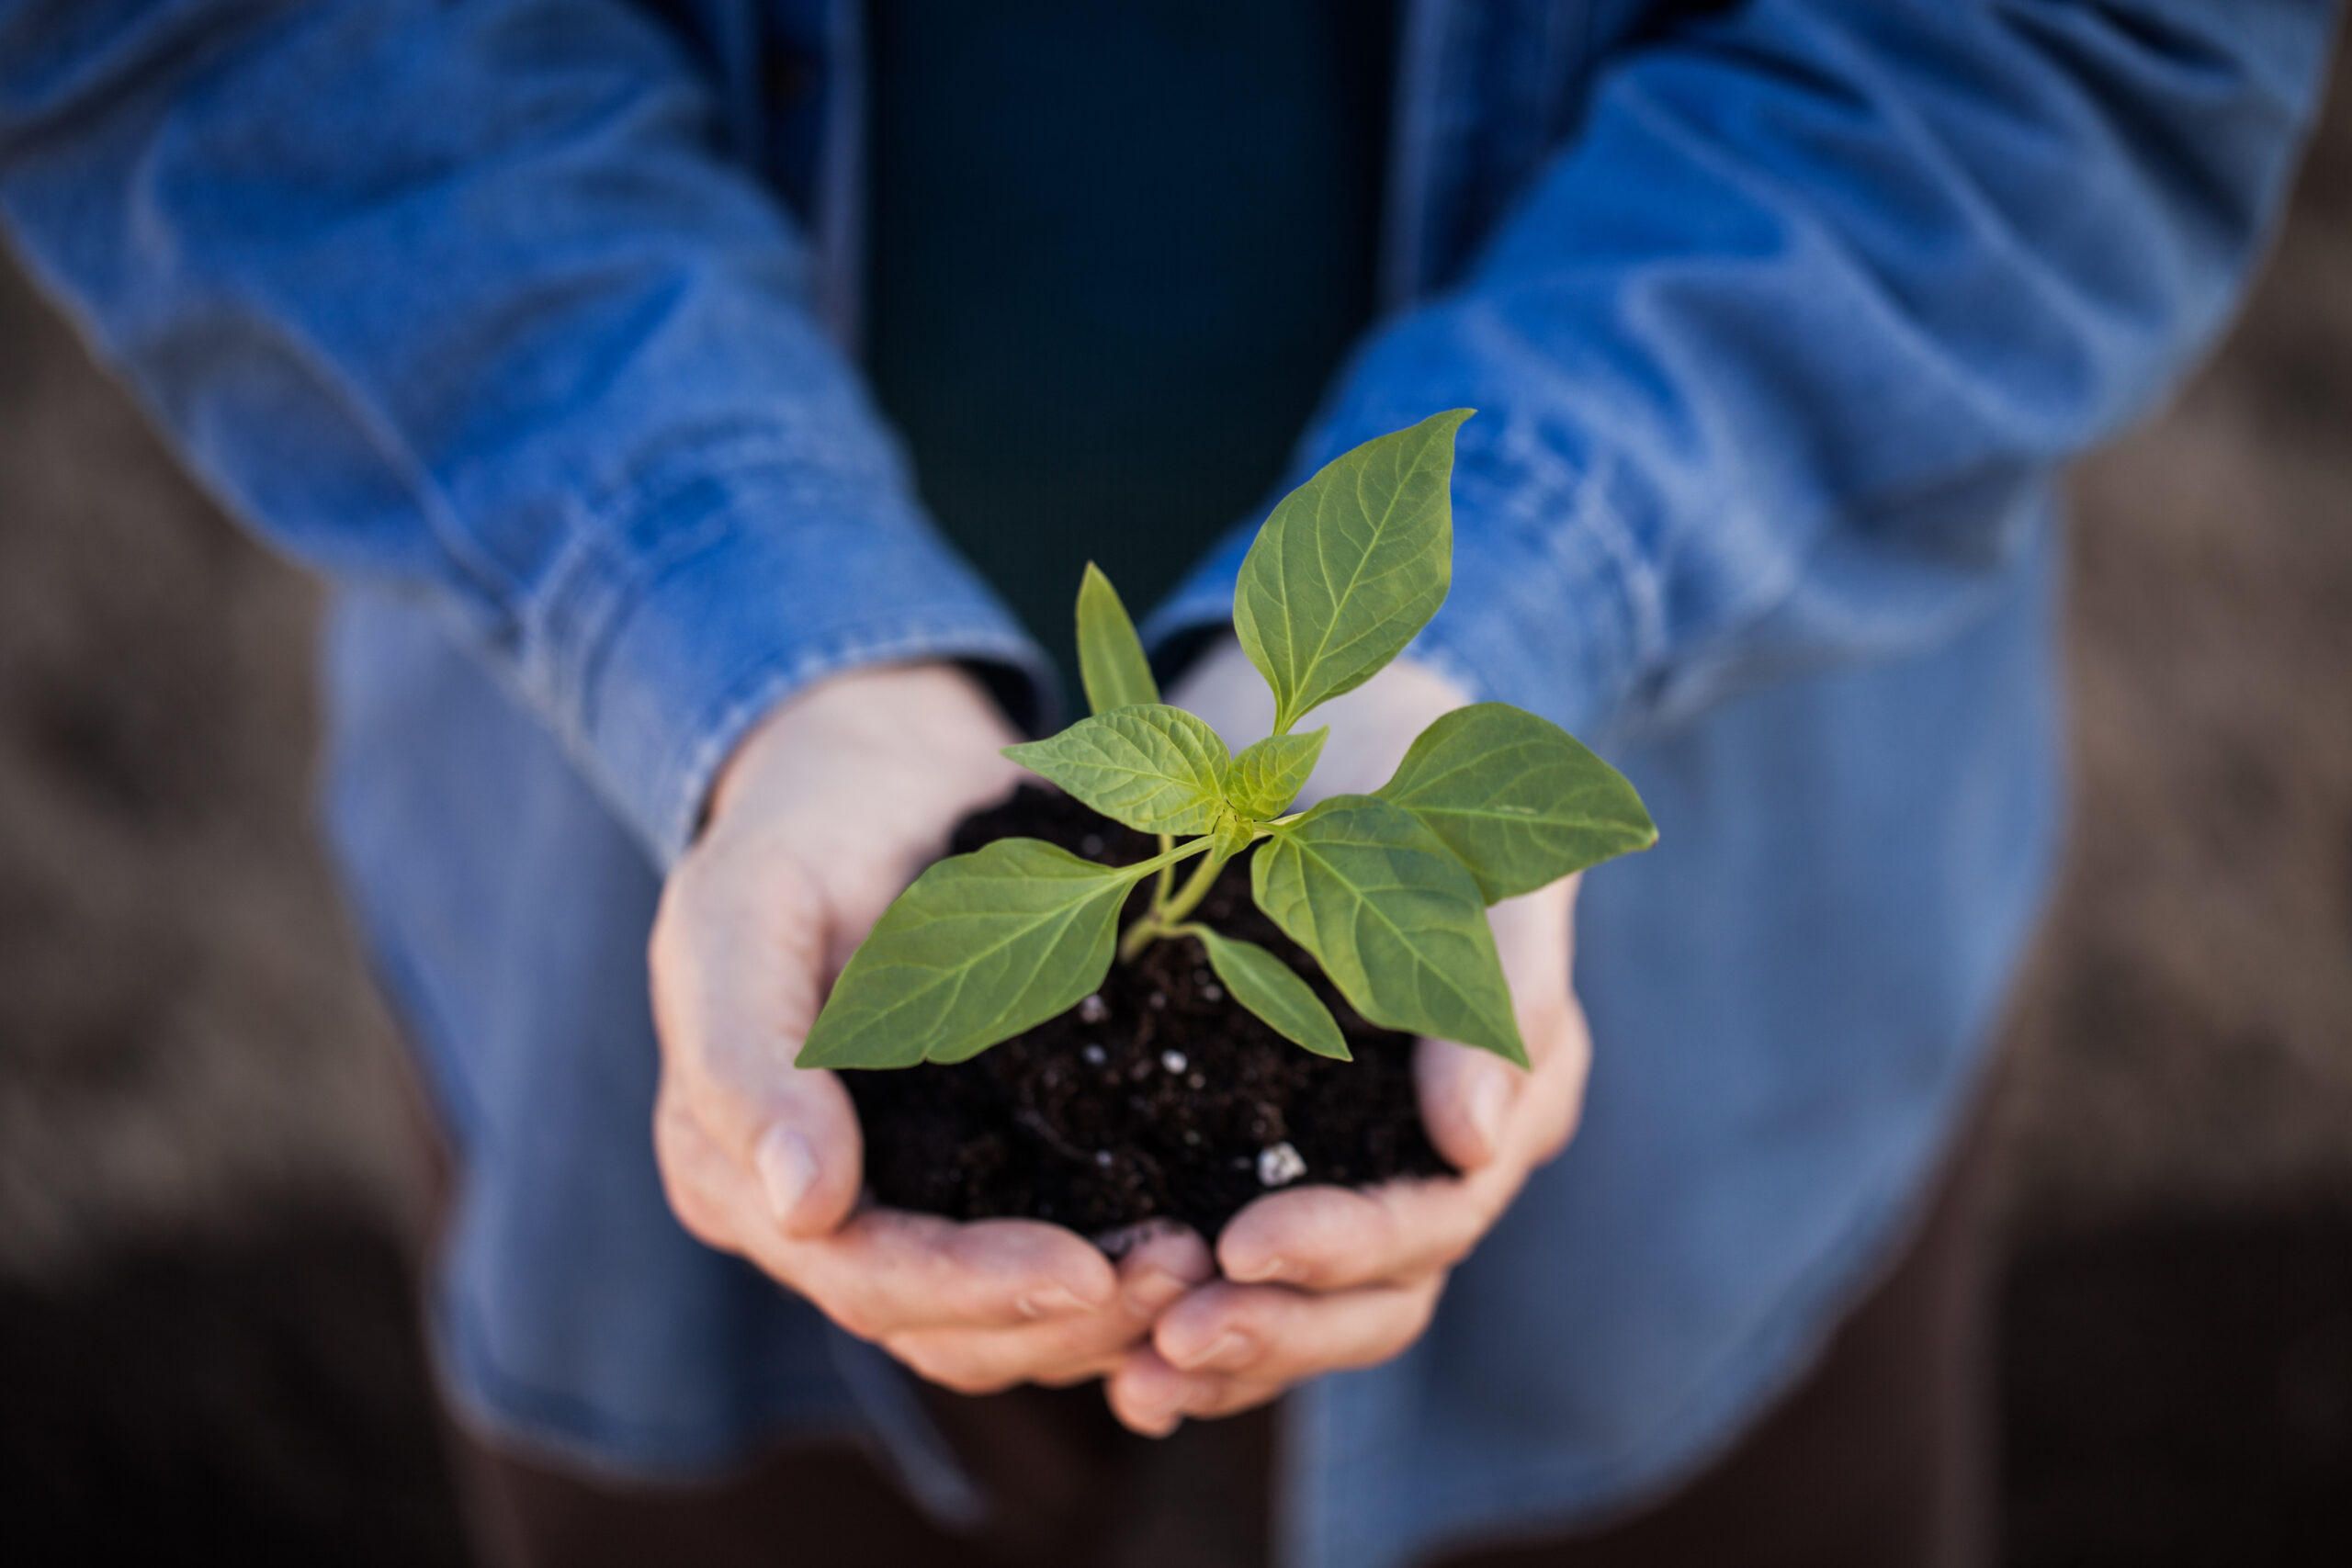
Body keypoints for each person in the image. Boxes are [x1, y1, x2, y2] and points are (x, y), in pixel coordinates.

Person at [0, 2, 2335, 1564]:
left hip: (1729, 994)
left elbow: (2054, 55)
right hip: (638, 846)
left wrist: (1500, 594)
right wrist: (736, 623)